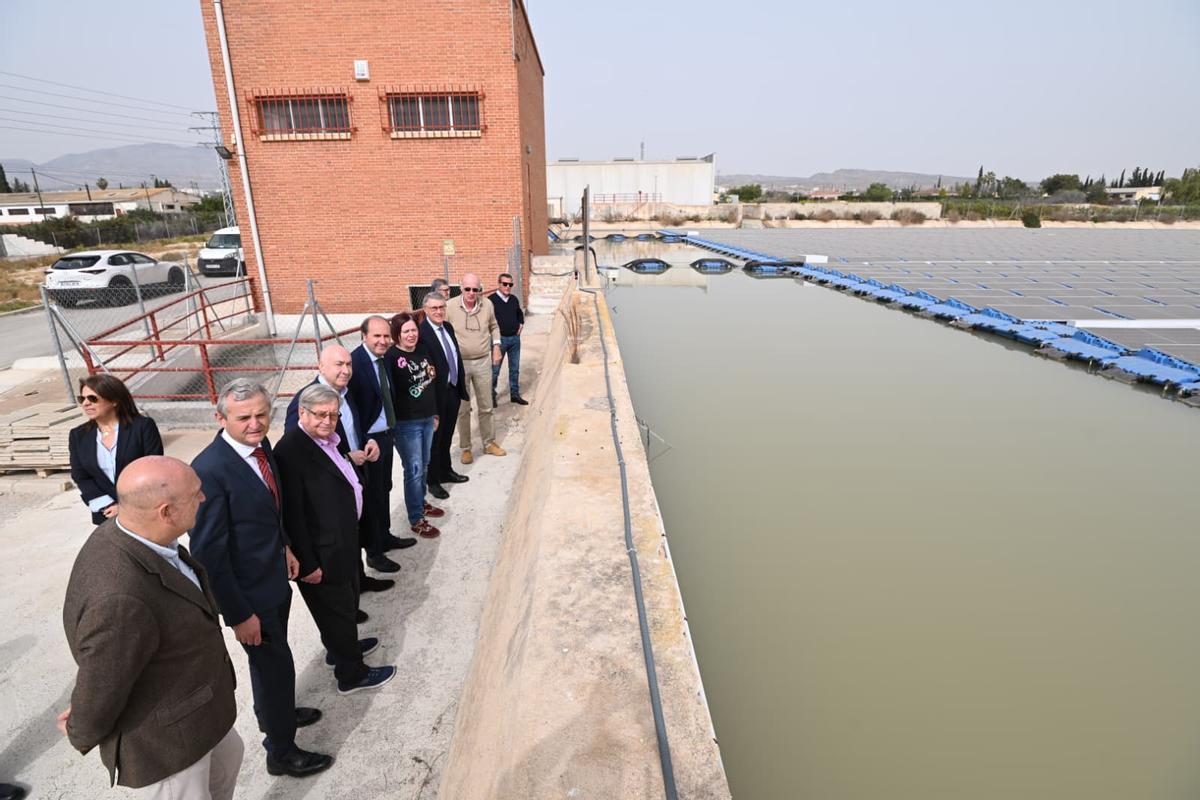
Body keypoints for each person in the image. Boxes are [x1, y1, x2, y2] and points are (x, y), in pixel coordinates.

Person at [60, 456, 243, 798]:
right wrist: (81, 727)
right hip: (169, 747)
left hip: (201, 715)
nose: (203, 499)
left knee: (230, 760)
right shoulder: (120, 597)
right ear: (166, 512)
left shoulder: (141, 535)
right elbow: (102, 678)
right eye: (195, 494)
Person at [189, 380, 334, 779]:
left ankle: (279, 714)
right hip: (250, 597)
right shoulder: (209, 471)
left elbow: (269, 510)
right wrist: (238, 615)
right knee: (274, 666)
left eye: (261, 415)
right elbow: (209, 555)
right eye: (244, 418)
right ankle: (281, 751)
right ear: (220, 418)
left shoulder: (259, 447)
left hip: (273, 578)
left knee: (272, 663)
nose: (255, 424)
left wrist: (285, 545)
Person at [274, 384, 396, 695]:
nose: (328, 421)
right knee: (337, 611)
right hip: (321, 553)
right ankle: (351, 674)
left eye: (333, 414)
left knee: (343, 608)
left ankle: (344, 648)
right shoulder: (291, 451)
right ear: (302, 413)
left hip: (341, 542)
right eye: (320, 415)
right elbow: (293, 516)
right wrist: (308, 563)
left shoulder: (325, 440)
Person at [286, 345, 412, 592]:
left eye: (348, 364)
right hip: (332, 484)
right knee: (345, 536)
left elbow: (357, 425)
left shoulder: (344, 392)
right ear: (320, 366)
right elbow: (304, 453)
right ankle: (351, 595)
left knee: (363, 523)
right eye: (338, 365)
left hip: (356, 470)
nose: (346, 370)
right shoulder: (306, 402)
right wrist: (345, 457)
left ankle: (362, 577)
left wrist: (369, 441)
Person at [346, 317, 406, 575]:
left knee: (384, 488)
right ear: (364, 336)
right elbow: (353, 408)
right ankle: (374, 552)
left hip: (385, 434)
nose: (383, 341)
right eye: (376, 337)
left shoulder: (385, 358)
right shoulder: (354, 364)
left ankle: (385, 535)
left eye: (386, 336)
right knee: (370, 496)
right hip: (368, 441)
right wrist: (362, 442)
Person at [68, 374, 164, 525]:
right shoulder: (78, 435)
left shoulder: (142, 427)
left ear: (114, 401)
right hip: (107, 515)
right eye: (82, 399)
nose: (86, 403)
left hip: (145, 511)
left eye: (93, 398)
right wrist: (108, 505)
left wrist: (126, 508)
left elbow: (153, 471)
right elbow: (81, 476)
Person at [389, 312, 444, 539]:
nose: (411, 335)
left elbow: (430, 382)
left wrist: (435, 414)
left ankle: (420, 502)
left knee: (425, 463)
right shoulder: (391, 358)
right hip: (406, 424)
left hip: (427, 418)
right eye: (406, 332)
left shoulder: (422, 349)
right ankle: (415, 518)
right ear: (397, 334)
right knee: (413, 469)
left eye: (413, 330)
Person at [445, 272, 506, 464]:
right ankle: (466, 448)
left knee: (486, 405)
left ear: (480, 289)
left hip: (482, 361)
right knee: (463, 409)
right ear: (461, 288)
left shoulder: (487, 304)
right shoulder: (449, 307)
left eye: (476, 289)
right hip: (459, 364)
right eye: (468, 289)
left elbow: (494, 326)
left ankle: (489, 443)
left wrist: (496, 347)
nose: (472, 293)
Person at [418, 291, 469, 499]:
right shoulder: (422, 334)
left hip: (452, 390)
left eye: (441, 307)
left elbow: (454, 355)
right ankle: (433, 480)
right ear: (425, 310)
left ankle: (446, 471)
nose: (439, 311)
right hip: (436, 396)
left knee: (447, 435)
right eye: (434, 308)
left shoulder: (447, 327)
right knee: (434, 439)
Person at [488, 271, 529, 406]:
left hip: (514, 340)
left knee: (514, 369)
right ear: (499, 284)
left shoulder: (514, 299)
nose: (507, 287)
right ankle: (491, 396)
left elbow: (519, 314)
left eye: (510, 284)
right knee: (495, 370)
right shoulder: (490, 300)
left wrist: (521, 325)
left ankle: (515, 395)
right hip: (499, 341)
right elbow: (486, 320)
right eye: (505, 284)